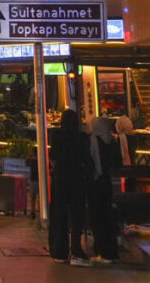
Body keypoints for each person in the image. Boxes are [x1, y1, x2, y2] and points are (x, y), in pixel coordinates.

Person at [48, 109, 92, 267]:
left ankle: (59, 251)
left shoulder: (56, 135)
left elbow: (53, 154)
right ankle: (76, 250)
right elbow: (86, 158)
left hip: (60, 177)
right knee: (77, 215)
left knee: (59, 213)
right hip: (77, 177)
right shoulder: (82, 137)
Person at [88, 117, 120, 263]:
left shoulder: (94, 140)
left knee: (97, 217)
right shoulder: (112, 141)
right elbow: (117, 162)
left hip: (96, 183)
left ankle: (102, 251)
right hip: (107, 182)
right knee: (107, 216)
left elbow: (92, 162)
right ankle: (111, 250)